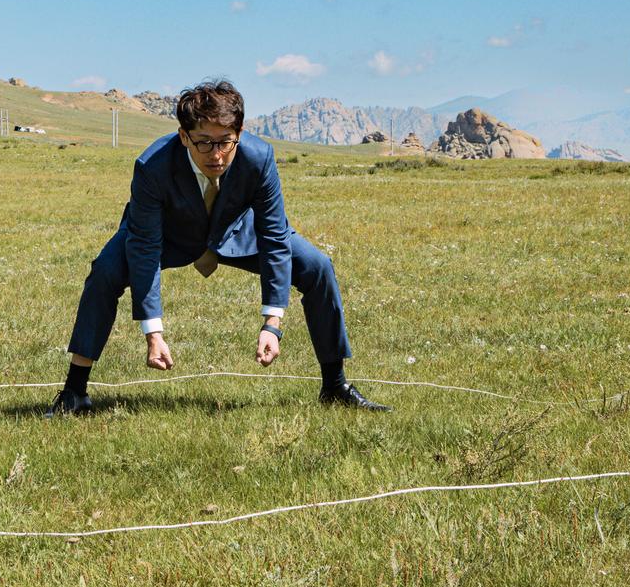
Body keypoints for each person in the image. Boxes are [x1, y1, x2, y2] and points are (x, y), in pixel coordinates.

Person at [50, 79, 388, 415]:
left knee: (317, 266)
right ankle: (75, 392)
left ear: (239, 133)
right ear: (184, 136)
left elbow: (273, 235)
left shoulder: (259, 157)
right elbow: (145, 246)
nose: (216, 154)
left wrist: (273, 323)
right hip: (166, 235)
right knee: (106, 271)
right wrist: (153, 332)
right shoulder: (152, 166)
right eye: (204, 143)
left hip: (238, 232)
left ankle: (335, 385)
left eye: (226, 142)